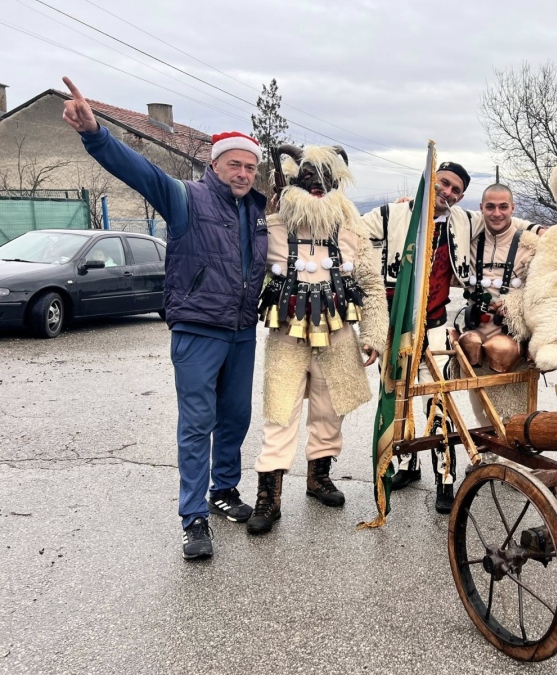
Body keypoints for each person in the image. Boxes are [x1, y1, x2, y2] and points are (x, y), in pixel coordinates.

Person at [62, 76, 268, 560]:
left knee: (235, 418)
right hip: (198, 330)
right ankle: (193, 515)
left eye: (250, 166)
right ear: (214, 165)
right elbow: (138, 171)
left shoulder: (257, 211)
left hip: (241, 331)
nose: (242, 173)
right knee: (198, 424)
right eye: (234, 164)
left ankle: (224, 490)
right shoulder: (185, 197)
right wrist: (95, 134)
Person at [359, 162, 542, 513]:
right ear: (430, 182)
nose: (448, 193)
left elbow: (504, 222)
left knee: (438, 398)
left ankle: (445, 477)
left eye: (456, 191)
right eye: (443, 184)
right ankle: (407, 465)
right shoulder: (391, 214)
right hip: (397, 326)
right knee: (399, 396)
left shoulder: (463, 220)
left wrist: (541, 230)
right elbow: (351, 235)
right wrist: (374, 279)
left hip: (436, 324)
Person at [247, 144, 388, 534]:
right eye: (308, 179)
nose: (316, 188)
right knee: (279, 411)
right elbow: (248, 277)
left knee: (330, 411)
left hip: (338, 336)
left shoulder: (352, 230)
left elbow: (372, 285)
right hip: (286, 338)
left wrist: (373, 335)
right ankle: (268, 496)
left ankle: (318, 477)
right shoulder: (272, 227)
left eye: (324, 181)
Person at [457, 184, 538, 436]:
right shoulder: (466, 242)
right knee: (480, 404)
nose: (497, 213)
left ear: (513, 208)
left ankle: (516, 456)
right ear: (481, 208)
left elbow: (544, 293)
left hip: (514, 338)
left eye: (503, 206)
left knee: (515, 409)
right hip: (476, 335)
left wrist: (514, 304)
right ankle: (488, 457)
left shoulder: (531, 245)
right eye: (490, 206)